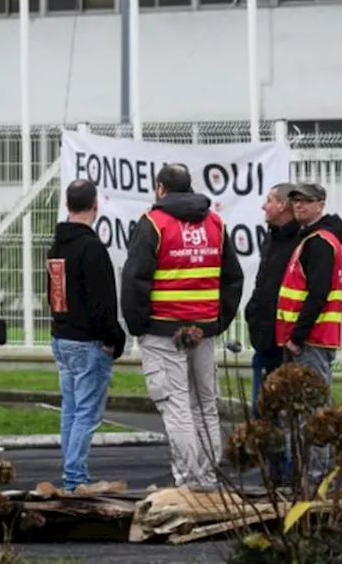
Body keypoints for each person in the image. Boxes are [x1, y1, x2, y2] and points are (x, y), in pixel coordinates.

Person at [120, 163, 245, 492]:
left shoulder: (153, 224)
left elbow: (135, 279)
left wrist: (138, 325)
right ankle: (208, 477)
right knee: (205, 404)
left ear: (160, 188)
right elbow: (232, 277)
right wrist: (217, 322)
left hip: (163, 331)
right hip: (202, 331)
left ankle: (190, 481)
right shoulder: (215, 223)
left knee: (176, 406)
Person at [47, 178, 126, 491]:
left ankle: (71, 474)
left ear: (68, 205)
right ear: (96, 205)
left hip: (62, 336)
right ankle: (75, 477)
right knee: (87, 414)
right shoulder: (91, 247)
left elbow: (54, 293)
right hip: (87, 342)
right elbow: (103, 300)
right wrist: (113, 339)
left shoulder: (57, 246)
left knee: (70, 409)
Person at [274, 182, 342, 486]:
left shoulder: (319, 242)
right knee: (309, 410)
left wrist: (297, 336)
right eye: (295, 202)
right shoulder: (313, 239)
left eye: (305, 201)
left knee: (314, 411)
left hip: (311, 341)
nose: (299, 207)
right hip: (309, 339)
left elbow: (317, 293)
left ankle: (317, 479)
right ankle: (315, 475)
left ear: (320, 204)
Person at [244, 183, 303, 413]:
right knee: (261, 411)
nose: (263, 206)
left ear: (283, 206)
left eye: (269, 201)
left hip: (286, 339)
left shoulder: (300, 240)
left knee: (285, 412)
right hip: (264, 335)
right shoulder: (271, 238)